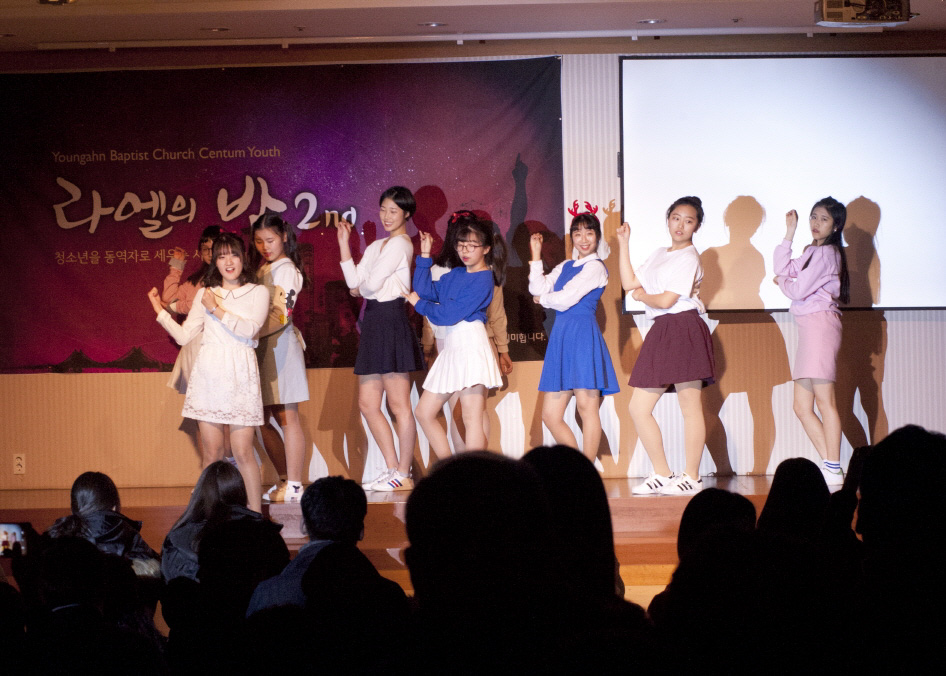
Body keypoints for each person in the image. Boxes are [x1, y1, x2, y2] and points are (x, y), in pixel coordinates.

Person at [148, 232, 269, 511]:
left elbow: (250, 330)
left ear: (243, 258)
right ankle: (208, 517)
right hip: (210, 374)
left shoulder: (258, 292)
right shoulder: (205, 293)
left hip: (240, 373)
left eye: (234, 255)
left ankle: (254, 516)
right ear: (214, 261)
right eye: (222, 256)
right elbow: (184, 335)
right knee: (212, 454)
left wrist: (216, 310)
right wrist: (159, 310)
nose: (229, 262)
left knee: (242, 452)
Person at [618, 196, 716, 495]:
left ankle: (692, 477)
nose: (681, 225)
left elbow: (666, 300)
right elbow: (628, 283)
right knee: (638, 408)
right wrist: (624, 243)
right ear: (668, 219)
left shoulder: (689, 257)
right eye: (676, 218)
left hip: (684, 327)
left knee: (690, 406)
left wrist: (642, 296)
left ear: (696, 226)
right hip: (662, 330)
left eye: (688, 220)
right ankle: (662, 472)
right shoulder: (660, 253)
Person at [337, 187, 425, 492]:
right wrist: (344, 244)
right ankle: (392, 469)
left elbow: (369, 284)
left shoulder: (401, 244)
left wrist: (359, 289)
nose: (387, 216)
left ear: (406, 214)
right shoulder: (376, 245)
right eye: (383, 209)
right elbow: (354, 281)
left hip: (390, 319)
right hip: (374, 322)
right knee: (368, 403)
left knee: (399, 405)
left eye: (394, 211)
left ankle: (404, 472)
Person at [406, 216, 506, 459]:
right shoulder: (456, 274)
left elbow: (448, 315)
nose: (465, 251)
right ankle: (450, 468)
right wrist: (425, 256)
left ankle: (472, 474)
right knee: (423, 412)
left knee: (472, 418)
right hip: (452, 346)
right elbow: (426, 290)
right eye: (461, 245)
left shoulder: (484, 278)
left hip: (471, 344)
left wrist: (420, 305)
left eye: (472, 246)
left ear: (486, 248)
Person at [529, 209, 619, 461]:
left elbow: (567, 298)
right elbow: (538, 287)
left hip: (582, 337)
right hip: (562, 337)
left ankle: (586, 470)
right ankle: (577, 466)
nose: (583, 239)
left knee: (586, 408)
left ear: (597, 236)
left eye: (589, 233)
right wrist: (536, 256)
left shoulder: (596, 267)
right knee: (550, 415)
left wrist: (543, 300)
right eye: (577, 234)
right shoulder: (566, 265)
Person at [774, 197, 850, 485]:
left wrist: (781, 282)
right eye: (814, 217)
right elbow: (782, 266)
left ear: (836, 225)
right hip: (810, 328)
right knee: (801, 406)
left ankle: (833, 466)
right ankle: (832, 467)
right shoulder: (812, 251)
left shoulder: (828, 253)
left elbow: (796, 289)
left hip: (820, 327)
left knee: (824, 401)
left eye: (824, 219)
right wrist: (790, 232)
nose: (816, 223)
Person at [249, 213, 310, 504]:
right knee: (262, 418)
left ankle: (295, 484)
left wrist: (248, 331)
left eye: (270, 240)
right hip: (262, 348)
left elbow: (282, 315)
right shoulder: (264, 268)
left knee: (287, 416)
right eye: (259, 241)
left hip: (280, 347)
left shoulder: (287, 269)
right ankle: (286, 478)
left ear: (284, 237)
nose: (265, 246)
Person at [161, 460, 263, 583]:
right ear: (240, 492)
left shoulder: (177, 537)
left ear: (199, 492)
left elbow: (169, 580)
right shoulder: (262, 535)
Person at [46, 472, 159, 576]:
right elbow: (155, 571)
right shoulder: (127, 532)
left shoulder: (58, 533)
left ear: (74, 506)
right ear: (114, 506)